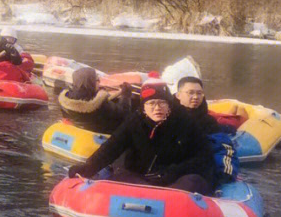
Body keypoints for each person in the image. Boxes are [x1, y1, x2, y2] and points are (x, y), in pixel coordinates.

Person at [68, 82, 216, 194]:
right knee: (118, 179)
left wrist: (174, 171)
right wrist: (87, 168)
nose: (157, 108)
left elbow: (205, 156)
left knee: (193, 182)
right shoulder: (134, 122)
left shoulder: (185, 122)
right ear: (143, 107)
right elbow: (111, 147)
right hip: (140, 176)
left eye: (162, 103)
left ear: (169, 105)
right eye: (151, 104)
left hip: (176, 178)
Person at [57, 66, 132, 134]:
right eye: (97, 79)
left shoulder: (64, 99)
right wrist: (126, 95)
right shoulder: (100, 103)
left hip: (82, 130)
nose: (99, 81)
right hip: (104, 132)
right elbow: (124, 114)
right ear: (91, 82)